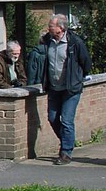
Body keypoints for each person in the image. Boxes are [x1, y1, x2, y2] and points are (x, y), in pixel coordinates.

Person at [27, 14, 92, 164]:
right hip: (54, 88)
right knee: (52, 118)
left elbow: (86, 62)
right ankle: (66, 141)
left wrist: (77, 78)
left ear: (60, 28)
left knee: (67, 120)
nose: (48, 28)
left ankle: (66, 153)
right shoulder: (47, 42)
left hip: (71, 89)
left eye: (51, 26)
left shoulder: (75, 43)